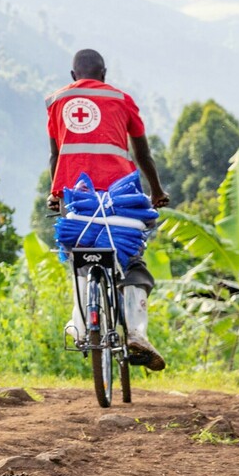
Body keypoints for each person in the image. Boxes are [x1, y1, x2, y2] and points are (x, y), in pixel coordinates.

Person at [45, 48, 169, 370]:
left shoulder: (56, 102)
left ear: (74, 76)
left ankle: (82, 324)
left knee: (79, 258)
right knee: (133, 263)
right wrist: (156, 191)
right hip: (121, 200)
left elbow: (55, 156)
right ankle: (137, 333)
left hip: (78, 200)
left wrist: (54, 194)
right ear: (104, 73)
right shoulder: (122, 100)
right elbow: (143, 155)